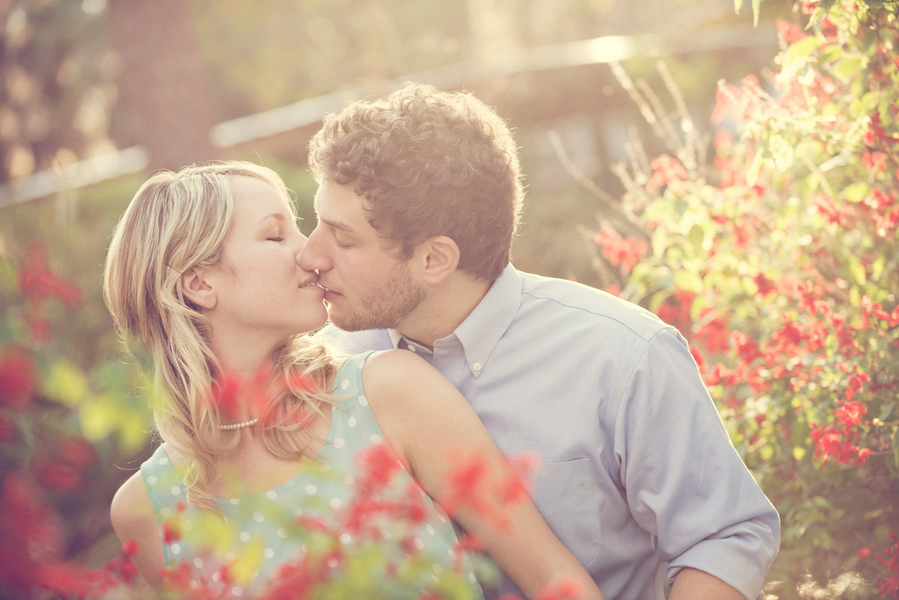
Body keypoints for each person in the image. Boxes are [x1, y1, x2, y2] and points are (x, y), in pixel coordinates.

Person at [300, 83, 781, 600]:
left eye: (342, 238)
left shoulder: (622, 357)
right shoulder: (331, 368)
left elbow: (725, 536)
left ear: (435, 259)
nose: (310, 255)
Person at [103, 162, 603, 600]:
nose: (311, 253)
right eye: (277, 235)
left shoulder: (388, 394)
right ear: (199, 283)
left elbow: (555, 580)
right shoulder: (144, 511)